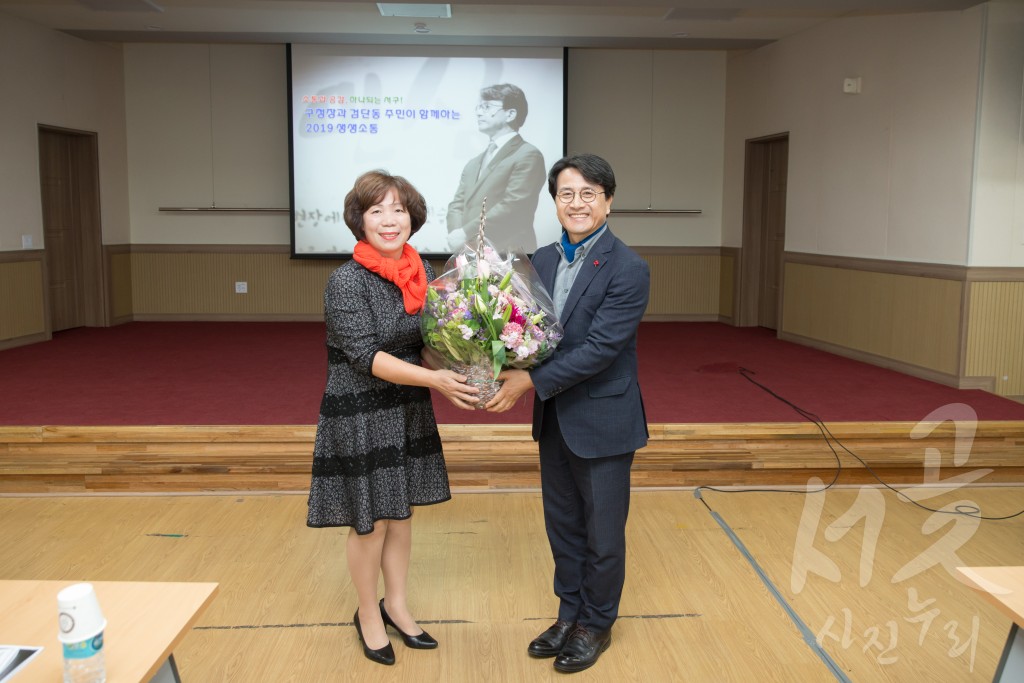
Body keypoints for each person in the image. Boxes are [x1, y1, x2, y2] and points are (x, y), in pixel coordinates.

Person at [306, 170, 479, 666]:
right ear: (359, 220)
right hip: (361, 409)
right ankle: (367, 613)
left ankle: (397, 606)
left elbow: (423, 345)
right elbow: (365, 356)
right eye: (376, 210)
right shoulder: (346, 280)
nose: (389, 219)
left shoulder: (419, 269)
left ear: (413, 217)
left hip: (404, 407)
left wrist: (467, 366)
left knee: (399, 518)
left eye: (398, 209)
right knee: (371, 524)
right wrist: (438, 382)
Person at [486, 154, 650, 674]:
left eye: (587, 194)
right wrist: (491, 351)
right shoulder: (544, 259)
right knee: (563, 527)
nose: (575, 204)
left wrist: (529, 382)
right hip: (555, 416)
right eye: (565, 194)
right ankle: (569, 613)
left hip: (602, 419)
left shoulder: (628, 267)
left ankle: (596, 625)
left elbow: (601, 348)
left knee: (603, 534)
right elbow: (530, 331)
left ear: (608, 201)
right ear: (553, 200)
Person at [446, 83, 546, 253]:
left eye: (487, 106)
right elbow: (456, 205)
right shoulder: (474, 162)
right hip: (469, 255)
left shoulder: (528, 154)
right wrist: (458, 237)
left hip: (509, 256)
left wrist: (465, 232)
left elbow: (513, 205)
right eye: (479, 106)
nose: (478, 112)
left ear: (510, 114)